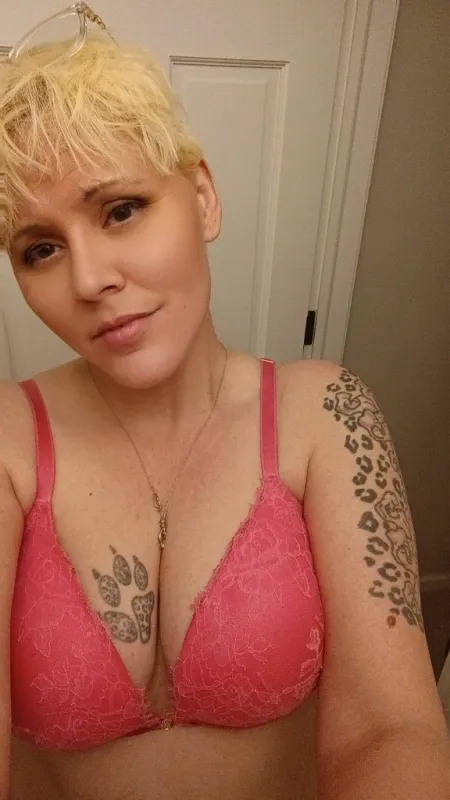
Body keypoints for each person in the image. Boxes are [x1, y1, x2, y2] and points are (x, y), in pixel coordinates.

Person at [0, 5, 449, 800]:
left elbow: (390, 729)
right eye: (41, 249)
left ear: (203, 197)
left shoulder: (325, 415)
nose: (89, 279)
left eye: (121, 209)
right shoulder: (9, 439)